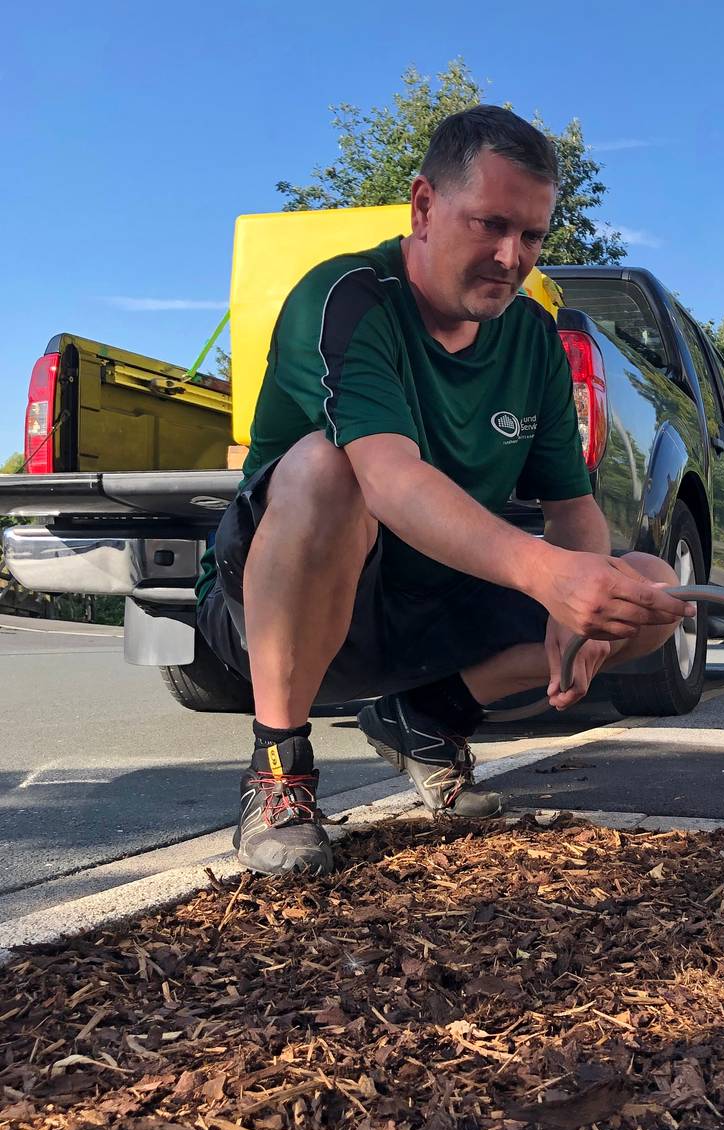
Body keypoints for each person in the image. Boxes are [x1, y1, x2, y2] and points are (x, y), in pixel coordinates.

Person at [194, 105, 692, 876]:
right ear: (424, 206)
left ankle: (425, 717)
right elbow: (389, 479)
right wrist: (544, 575)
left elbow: (572, 508)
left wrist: (581, 602)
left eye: (531, 236)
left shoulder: (530, 336)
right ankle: (279, 772)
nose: (510, 255)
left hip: (432, 605)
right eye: (489, 224)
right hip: (287, 609)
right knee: (330, 468)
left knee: (651, 592)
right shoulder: (346, 299)